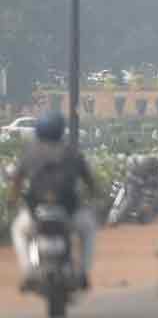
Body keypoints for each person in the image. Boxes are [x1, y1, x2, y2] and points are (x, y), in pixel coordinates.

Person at [7, 112, 98, 291]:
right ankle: (83, 273)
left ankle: (28, 272)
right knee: (88, 230)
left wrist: (12, 200)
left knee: (18, 230)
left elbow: (17, 181)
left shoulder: (31, 153)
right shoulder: (72, 153)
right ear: (60, 131)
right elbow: (89, 180)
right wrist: (96, 196)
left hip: (36, 213)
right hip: (69, 212)